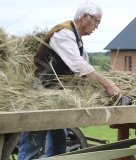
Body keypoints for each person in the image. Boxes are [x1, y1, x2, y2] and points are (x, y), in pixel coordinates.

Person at [18, 1, 121, 160]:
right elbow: (78, 64)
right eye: (97, 21)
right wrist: (108, 84)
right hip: (41, 88)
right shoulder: (64, 33)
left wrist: (96, 87)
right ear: (85, 17)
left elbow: (85, 65)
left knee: (60, 136)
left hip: (57, 92)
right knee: (35, 134)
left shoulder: (77, 38)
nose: (97, 26)